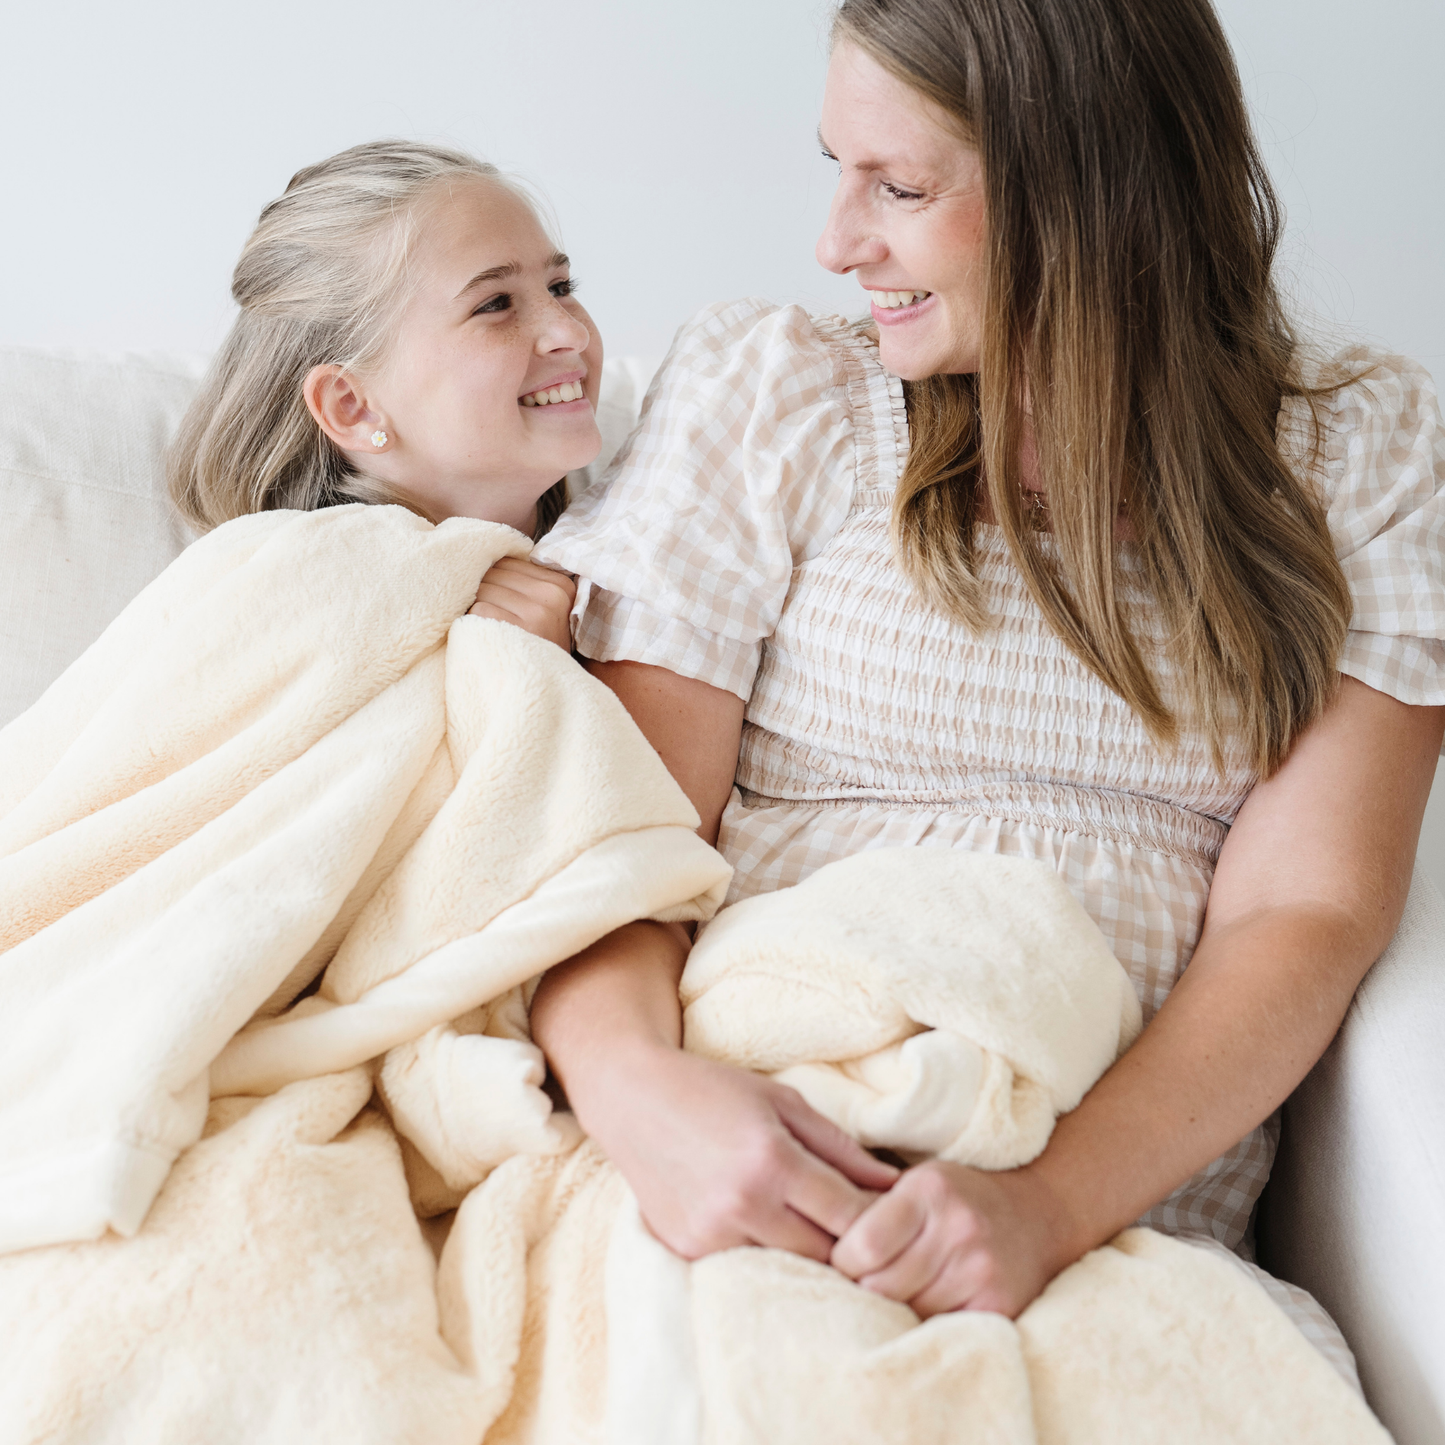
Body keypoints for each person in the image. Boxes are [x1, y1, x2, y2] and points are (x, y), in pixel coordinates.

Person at [529, 0, 1445, 1381]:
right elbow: (617, 842)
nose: (838, 243)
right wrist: (642, 1097)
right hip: (750, 1157)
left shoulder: (1358, 453)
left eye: (897, 187)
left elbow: (1307, 907)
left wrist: (1047, 1205)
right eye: (839, 170)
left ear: (1087, 191)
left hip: (1106, 1219)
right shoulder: (779, 392)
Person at [169, 138, 588, 649]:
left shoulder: (641, 549)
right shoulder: (297, 614)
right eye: (496, 303)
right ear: (353, 406)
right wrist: (527, 663)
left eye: (560, 287)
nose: (571, 333)